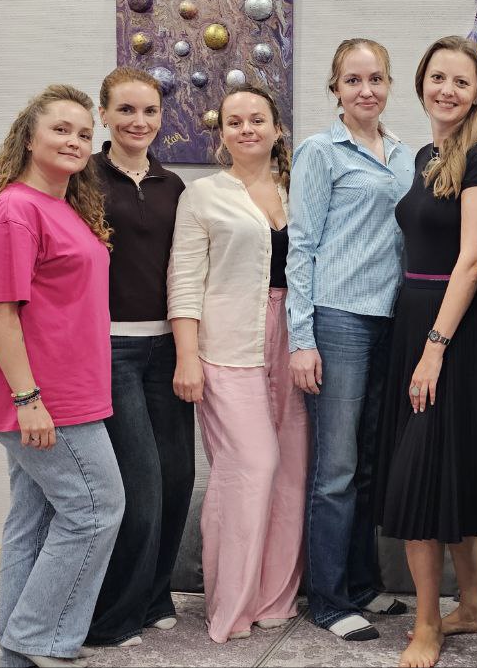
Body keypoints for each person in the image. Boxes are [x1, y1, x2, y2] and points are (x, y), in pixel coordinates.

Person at [0, 84, 125, 668]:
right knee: (96, 509)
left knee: (33, 522)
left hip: (69, 390)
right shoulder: (15, 210)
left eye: (84, 133)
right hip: (43, 396)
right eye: (61, 129)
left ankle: (17, 657)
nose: (75, 141)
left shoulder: (64, 207)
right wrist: (28, 398)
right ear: (28, 138)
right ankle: (38, 640)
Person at [373, 35, 477, 668]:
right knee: (442, 470)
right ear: (421, 83)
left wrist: (435, 347)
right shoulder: (428, 155)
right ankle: (474, 603)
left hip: (450, 329)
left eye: (461, 81)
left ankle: (427, 623)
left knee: (420, 477)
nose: (447, 90)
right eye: (438, 78)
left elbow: (474, 259)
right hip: (413, 321)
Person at [167, 85, 308, 644]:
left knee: (291, 472)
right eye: (234, 121)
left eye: (257, 119)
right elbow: (183, 280)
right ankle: (231, 604)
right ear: (221, 132)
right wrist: (187, 356)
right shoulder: (202, 195)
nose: (246, 128)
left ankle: (275, 600)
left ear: (277, 128)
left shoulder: (299, 190)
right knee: (250, 467)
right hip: (226, 348)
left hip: (294, 342)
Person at [288, 38, 416, 642]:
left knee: (368, 464)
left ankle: (363, 584)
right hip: (338, 319)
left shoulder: (406, 155)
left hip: (391, 319)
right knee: (335, 468)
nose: (366, 90)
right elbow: (301, 247)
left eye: (376, 79)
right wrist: (301, 338)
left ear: (389, 84)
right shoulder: (320, 151)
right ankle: (330, 599)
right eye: (353, 80)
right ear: (335, 89)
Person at [83, 67, 194, 650]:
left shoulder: (173, 185)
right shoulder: (82, 178)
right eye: (125, 110)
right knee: (140, 487)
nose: (138, 121)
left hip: (168, 347)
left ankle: (155, 597)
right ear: (103, 114)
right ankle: (113, 617)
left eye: (149, 111)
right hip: (111, 348)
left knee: (177, 478)